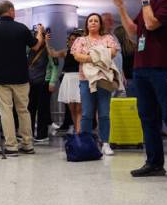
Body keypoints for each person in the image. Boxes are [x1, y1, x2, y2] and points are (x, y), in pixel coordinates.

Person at [112, 0, 167, 177]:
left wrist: (144, 0)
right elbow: (133, 32)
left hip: (161, 66)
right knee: (147, 116)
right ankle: (154, 163)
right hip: (141, 68)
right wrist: (121, 7)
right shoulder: (149, 4)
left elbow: (152, 25)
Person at [0, 0, 42, 155]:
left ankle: (11, 146)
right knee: (23, 110)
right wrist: (40, 34)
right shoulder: (21, 28)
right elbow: (35, 46)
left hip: (1, 78)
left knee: (6, 111)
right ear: (11, 10)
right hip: (21, 77)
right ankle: (28, 144)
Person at [71, 14, 119, 155]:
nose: (93, 23)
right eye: (90, 21)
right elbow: (77, 56)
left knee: (104, 113)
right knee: (86, 113)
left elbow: (113, 52)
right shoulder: (80, 40)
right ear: (86, 24)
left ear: (100, 24)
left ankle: (105, 143)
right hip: (86, 80)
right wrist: (100, 56)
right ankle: (86, 143)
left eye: (96, 21)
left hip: (104, 80)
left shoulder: (108, 38)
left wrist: (90, 57)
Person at [27, 26, 54, 143]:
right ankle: (30, 133)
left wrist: (52, 82)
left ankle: (42, 134)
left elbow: (55, 67)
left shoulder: (48, 50)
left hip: (44, 82)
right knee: (30, 109)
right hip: (30, 83)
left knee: (42, 109)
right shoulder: (30, 50)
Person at [52, 31, 81, 135]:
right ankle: (76, 129)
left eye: (75, 39)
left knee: (79, 108)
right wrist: (46, 42)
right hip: (68, 79)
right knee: (71, 108)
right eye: (71, 39)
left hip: (79, 78)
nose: (72, 41)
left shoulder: (83, 52)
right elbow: (53, 54)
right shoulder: (66, 52)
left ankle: (78, 131)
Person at [105, 12, 136, 95]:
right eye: (109, 20)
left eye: (112, 20)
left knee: (121, 102)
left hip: (119, 76)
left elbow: (119, 56)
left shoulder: (114, 37)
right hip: (108, 76)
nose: (112, 22)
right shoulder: (99, 37)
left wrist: (122, 74)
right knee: (108, 103)